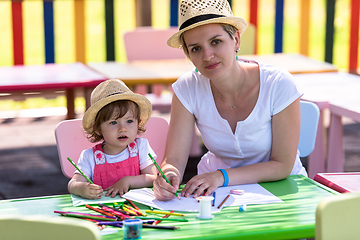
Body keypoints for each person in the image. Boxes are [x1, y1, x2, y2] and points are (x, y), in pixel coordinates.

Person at [153, 0, 307, 201]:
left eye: (216, 41)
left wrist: (221, 176)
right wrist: (168, 174)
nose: (207, 56)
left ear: (236, 39)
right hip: (219, 195)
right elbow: (173, 159)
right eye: (196, 48)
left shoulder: (277, 83)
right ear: (188, 55)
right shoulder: (186, 87)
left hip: (282, 190)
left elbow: (282, 165)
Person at [68, 79, 157, 199]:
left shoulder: (141, 147)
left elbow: (152, 178)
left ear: (138, 123)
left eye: (129, 121)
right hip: (105, 212)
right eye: (113, 122)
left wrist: (127, 181)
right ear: (98, 128)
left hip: (139, 208)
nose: (123, 129)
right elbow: (72, 184)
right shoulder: (90, 157)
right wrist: (82, 188)